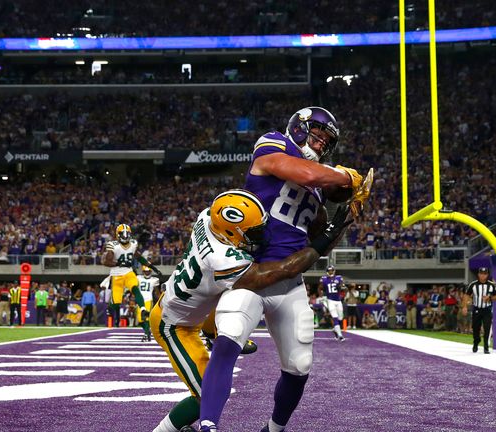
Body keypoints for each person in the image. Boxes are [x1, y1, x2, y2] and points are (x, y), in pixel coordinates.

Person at [199, 106, 369, 432]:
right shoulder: (274, 143)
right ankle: (208, 426)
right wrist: (347, 176)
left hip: (289, 283)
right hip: (253, 272)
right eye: (316, 136)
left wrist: (344, 217)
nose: (319, 145)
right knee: (229, 337)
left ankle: (273, 430)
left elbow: (317, 240)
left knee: (300, 364)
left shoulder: (318, 189)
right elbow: (302, 173)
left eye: (325, 143)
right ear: (300, 127)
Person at [151, 189, 351, 432]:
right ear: (229, 233)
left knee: (223, 295)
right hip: (174, 324)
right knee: (205, 395)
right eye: (252, 232)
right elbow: (281, 271)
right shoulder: (223, 258)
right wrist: (321, 242)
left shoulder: (208, 217)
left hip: (198, 303)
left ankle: (214, 334)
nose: (260, 236)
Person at [102, 223, 164, 331]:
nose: (125, 236)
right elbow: (106, 262)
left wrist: (153, 268)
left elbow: (139, 258)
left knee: (135, 287)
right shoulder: (113, 245)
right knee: (116, 303)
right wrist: (118, 264)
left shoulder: (134, 243)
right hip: (116, 275)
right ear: (118, 234)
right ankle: (111, 310)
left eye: (127, 234)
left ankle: (143, 308)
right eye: (123, 234)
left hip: (128, 272)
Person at [462, 267, 496, 354]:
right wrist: (464, 307)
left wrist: (489, 298)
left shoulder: (491, 285)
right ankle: (476, 342)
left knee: (487, 328)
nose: (483, 276)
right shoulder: (473, 284)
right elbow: (466, 295)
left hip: (487, 310)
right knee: (475, 328)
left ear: (487, 275)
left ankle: (486, 347)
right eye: (481, 274)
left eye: (485, 274)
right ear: (478, 274)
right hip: (477, 309)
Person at [319, 265, 345, 340]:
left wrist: (341, 286)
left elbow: (343, 286)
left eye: (331, 270)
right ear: (327, 272)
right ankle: (340, 335)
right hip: (330, 300)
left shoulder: (339, 278)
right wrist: (321, 296)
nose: (330, 272)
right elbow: (319, 288)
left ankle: (335, 329)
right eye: (329, 271)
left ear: (334, 271)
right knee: (335, 317)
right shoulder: (324, 279)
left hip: (338, 300)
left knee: (340, 317)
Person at [137, 265, 160, 341]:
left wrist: (160, 300)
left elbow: (157, 292)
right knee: (140, 320)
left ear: (150, 271)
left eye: (148, 271)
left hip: (148, 300)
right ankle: (148, 331)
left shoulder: (154, 280)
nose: (147, 273)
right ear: (143, 271)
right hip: (140, 301)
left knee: (146, 318)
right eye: (145, 272)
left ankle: (146, 334)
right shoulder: (138, 278)